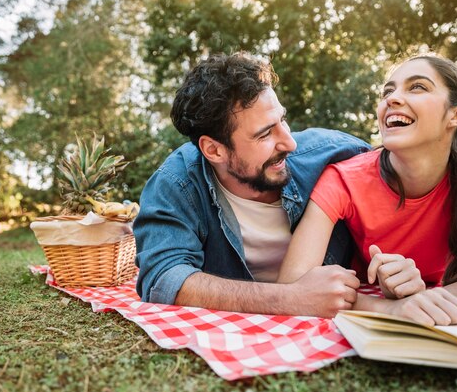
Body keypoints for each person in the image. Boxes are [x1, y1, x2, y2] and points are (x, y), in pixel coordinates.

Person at [278, 54, 457, 325]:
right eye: (388, 91)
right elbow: (292, 284)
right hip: (372, 291)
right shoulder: (342, 179)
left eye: (417, 87)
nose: (392, 98)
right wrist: (390, 308)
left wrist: (430, 299)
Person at [133, 51, 370, 315]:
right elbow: (163, 279)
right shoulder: (176, 183)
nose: (289, 143)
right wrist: (290, 299)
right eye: (265, 134)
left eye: (282, 120)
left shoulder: (336, 153)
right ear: (214, 150)